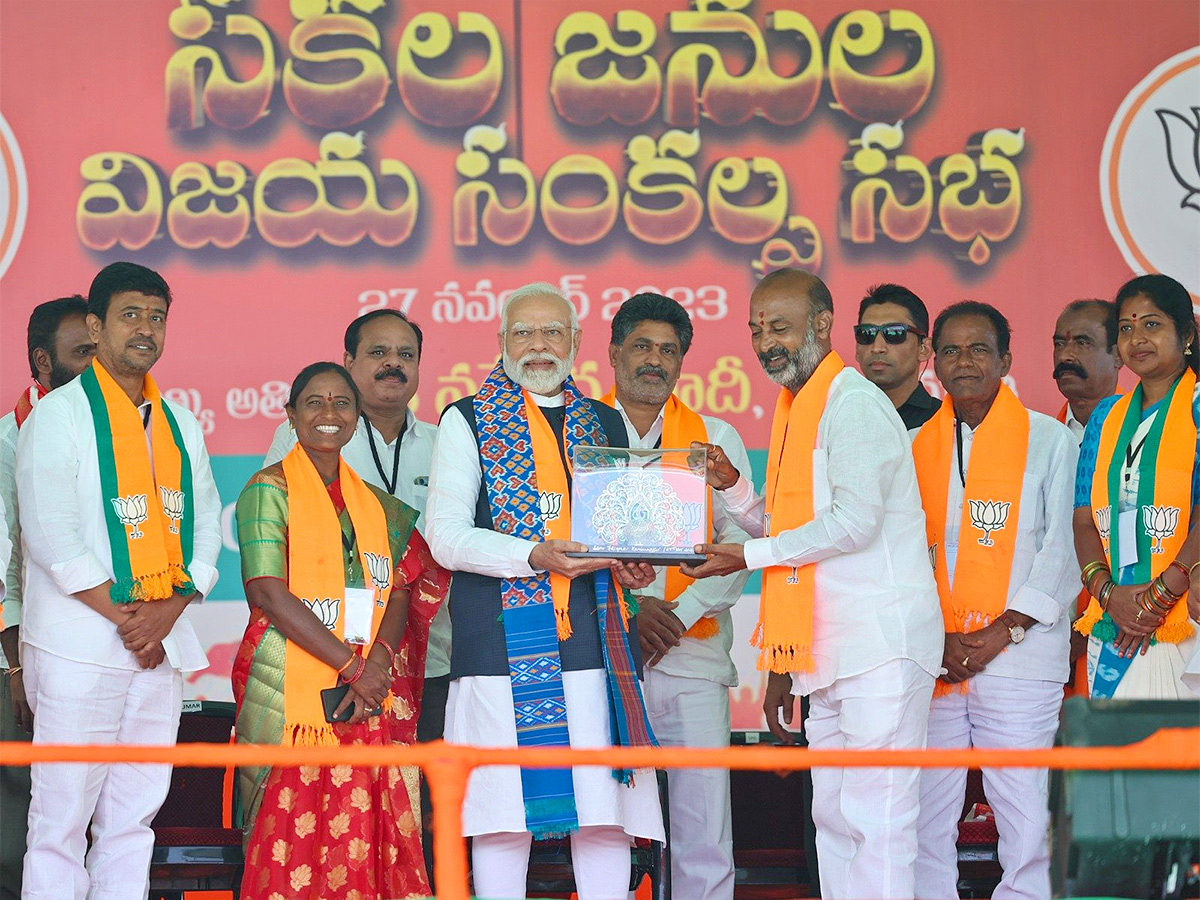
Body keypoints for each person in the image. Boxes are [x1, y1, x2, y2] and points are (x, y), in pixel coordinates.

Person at [683, 268, 944, 900]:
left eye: (780, 326)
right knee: (832, 817)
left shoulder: (852, 403)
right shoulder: (800, 405)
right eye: (755, 330)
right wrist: (735, 489)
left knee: (877, 818)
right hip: (828, 651)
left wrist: (747, 554)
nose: (765, 341)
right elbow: (791, 525)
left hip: (878, 644)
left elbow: (853, 522)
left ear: (823, 325)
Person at [425, 282, 664, 900]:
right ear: (501, 342)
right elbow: (445, 536)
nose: (538, 345)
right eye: (524, 333)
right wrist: (531, 555)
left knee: (603, 817)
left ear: (577, 343)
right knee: (503, 819)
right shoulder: (467, 419)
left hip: (595, 647)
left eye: (552, 332)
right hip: (501, 651)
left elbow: (623, 534)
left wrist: (633, 567)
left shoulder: (606, 422)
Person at [15, 262, 222, 900]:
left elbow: (208, 531)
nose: (146, 330)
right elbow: (52, 538)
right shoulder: (58, 417)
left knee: (133, 819)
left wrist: (168, 612)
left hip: (158, 647)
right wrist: (134, 617)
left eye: (157, 317)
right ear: (97, 326)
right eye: (131, 315)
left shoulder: (181, 423)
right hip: (80, 642)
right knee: (60, 819)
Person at [234, 362, 449, 900]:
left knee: (360, 837)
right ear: (290, 415)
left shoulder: (375, 505)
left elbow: (403, 585)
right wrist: (352, 666)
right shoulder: (267, 490)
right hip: (291, 690)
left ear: (356, 419)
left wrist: (376, 664)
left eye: (341, 404)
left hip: (365, 696)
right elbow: (267, 592)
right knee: (290, 835)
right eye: (314, 402)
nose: (328, 414)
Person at [910, 301, 1078, 900]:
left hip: (1020, 654)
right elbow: (905, 557)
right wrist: (941, 640)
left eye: (979, 349)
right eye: (950, 350)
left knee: (1026, 813)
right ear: (933, 362)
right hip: (938, 659)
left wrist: (1003, 629)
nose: (963, 362)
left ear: (1006, 360)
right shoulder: (913, 444)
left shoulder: (1050, 440)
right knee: (925, 815)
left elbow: (1064, 547)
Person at [601, 292, 750, 900]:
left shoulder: (715, 438)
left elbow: (742, 547)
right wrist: (632, 614)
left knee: (703, 828)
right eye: (641, 346)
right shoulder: (580, 434)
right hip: (607, 654)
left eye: (669, 350)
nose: (654, 361)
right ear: (613, 353)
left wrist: (676, 616)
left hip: (693, 656)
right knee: (607, 828)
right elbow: (561, 540)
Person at [0, 294, 95, 899]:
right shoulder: (10, 440)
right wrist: (16, 661)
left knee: (95, 825)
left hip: (97, 661)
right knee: (19, 839)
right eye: (83, 353)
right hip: (19, 662)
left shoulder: (132, 437)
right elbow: (7, 563)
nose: (99, 365)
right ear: (42, 363)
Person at [1073, 273, 1199, 699]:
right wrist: (1109, 594)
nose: (1137, 337)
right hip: (1113, 616)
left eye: (1152, 323)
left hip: (1184, 616)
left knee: (1178, 760)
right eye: (1126, 328)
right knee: (1115, 760)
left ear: (1186, 336)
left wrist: (1162, 595)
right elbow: (1084, 518)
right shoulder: (1105, 418)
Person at [854, 283, 940, 429]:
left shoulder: (943, 421)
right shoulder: (839, 417)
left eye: (894, 333)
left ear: (924, 349)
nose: (877, 348)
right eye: (867, 334)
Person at [1052, 299, 1122, 441]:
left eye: (1082, 343)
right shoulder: (1045, 437)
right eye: (1059, 344)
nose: (1065, 356)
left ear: (1118, 355)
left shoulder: (1144, 430)